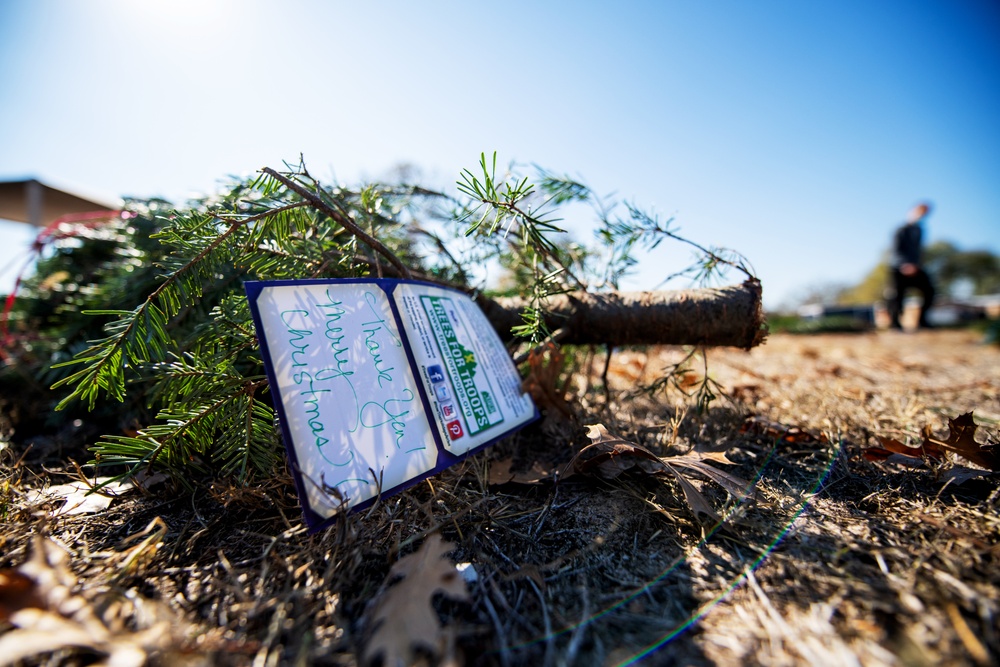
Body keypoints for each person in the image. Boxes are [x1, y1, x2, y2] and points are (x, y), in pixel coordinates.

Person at [888, 202, 935, 330]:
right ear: (912, 212)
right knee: (896, 295)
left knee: (929, 291)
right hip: (899, 267)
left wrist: (917, 265)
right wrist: (904, 264)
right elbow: (895, 250)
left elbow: (919, 252)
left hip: (916, 267)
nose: (922, 215)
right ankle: (895, 324)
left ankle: (922, 321)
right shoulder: (901, 230)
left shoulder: (919, 230)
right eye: (920, 212)